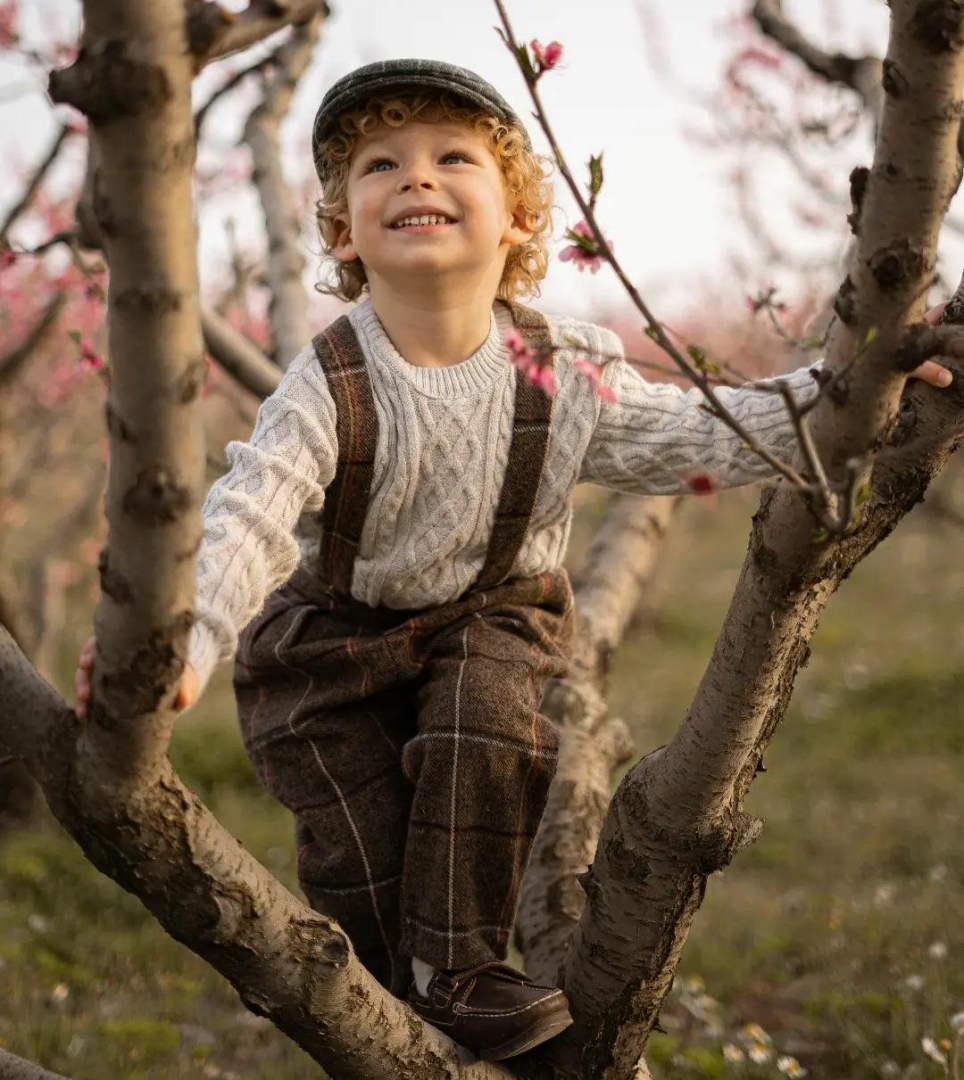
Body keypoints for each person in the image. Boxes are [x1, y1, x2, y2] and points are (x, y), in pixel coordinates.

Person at [74, 59, 952, 1061]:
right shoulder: (327, 381)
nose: (416, 178)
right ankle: (381, 996)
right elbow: (250, 511)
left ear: (517, 222)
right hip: (333, 640)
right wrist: (181, 646)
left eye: (453, 159)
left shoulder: (560, 367)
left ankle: (460, 967)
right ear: (340, 230)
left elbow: (701, 432)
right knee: (360, 855)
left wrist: (850, 396)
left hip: (493, 611)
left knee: (488, 722)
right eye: (380, 166)